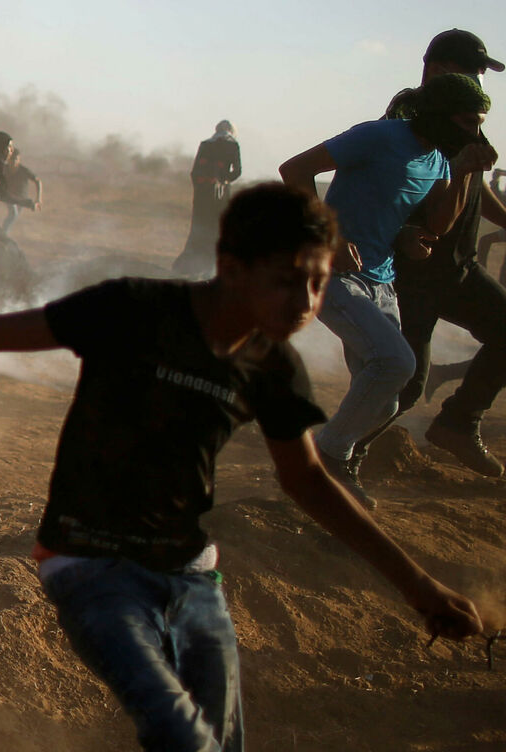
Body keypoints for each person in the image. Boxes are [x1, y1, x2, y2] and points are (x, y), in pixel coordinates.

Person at [0, 183, 483, 752]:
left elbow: (308, 482)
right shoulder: (133, 309)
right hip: (91, 566)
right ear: (231, 269)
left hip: (193, 578)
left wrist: (418, 587)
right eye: (287, 282)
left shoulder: (272, 365)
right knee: (180, 737)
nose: (306, 303)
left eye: (317, 284)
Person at [280, 73, 496, 507]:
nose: (476, 134)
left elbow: (438, 224)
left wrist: (462, 174)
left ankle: (325, 465)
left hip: (380, 279)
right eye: (469, 122)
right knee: (396, 362)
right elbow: (294, 170)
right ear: (441, 114)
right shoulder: (379, 136)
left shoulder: (439, 159)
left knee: (385, 405)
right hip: (330, 272)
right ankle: (325, 460)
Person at [344, 30, 506, 479]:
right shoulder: (410, 119)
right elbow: (388, 186)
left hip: (458, 267)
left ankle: (459, 423)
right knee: (406, 384)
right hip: (414, 271)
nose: (480, 78)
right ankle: (341, 457)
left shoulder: (466, 113)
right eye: (472, 69)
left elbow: (473, 181)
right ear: (437, 68)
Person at [174, 121, 242, 277]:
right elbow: (237, 171)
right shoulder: (232, 145)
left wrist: (202, 187)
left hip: (202, 195)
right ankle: (211, 268)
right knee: (217, 229)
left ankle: (190, 266)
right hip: (221, 196)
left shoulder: (206, 144)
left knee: (199, 227)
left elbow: (195, 172)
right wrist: (223, 180)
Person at [0, 130, 38, 228]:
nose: (11, 151)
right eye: (9, 147)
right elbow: (1, 194)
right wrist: (25, 202)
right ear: (2, 149)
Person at [0, 146, 42, 235]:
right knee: (13, 214)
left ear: (19, 160)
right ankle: (3, 234)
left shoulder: (24, 170)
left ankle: (5, 233)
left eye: (16, 159)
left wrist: (38, 198)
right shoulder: (4, 169)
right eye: (11, 159)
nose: (13, 162)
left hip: (22, 198)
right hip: (9, 196)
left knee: (14, 216)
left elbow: (37, 181)